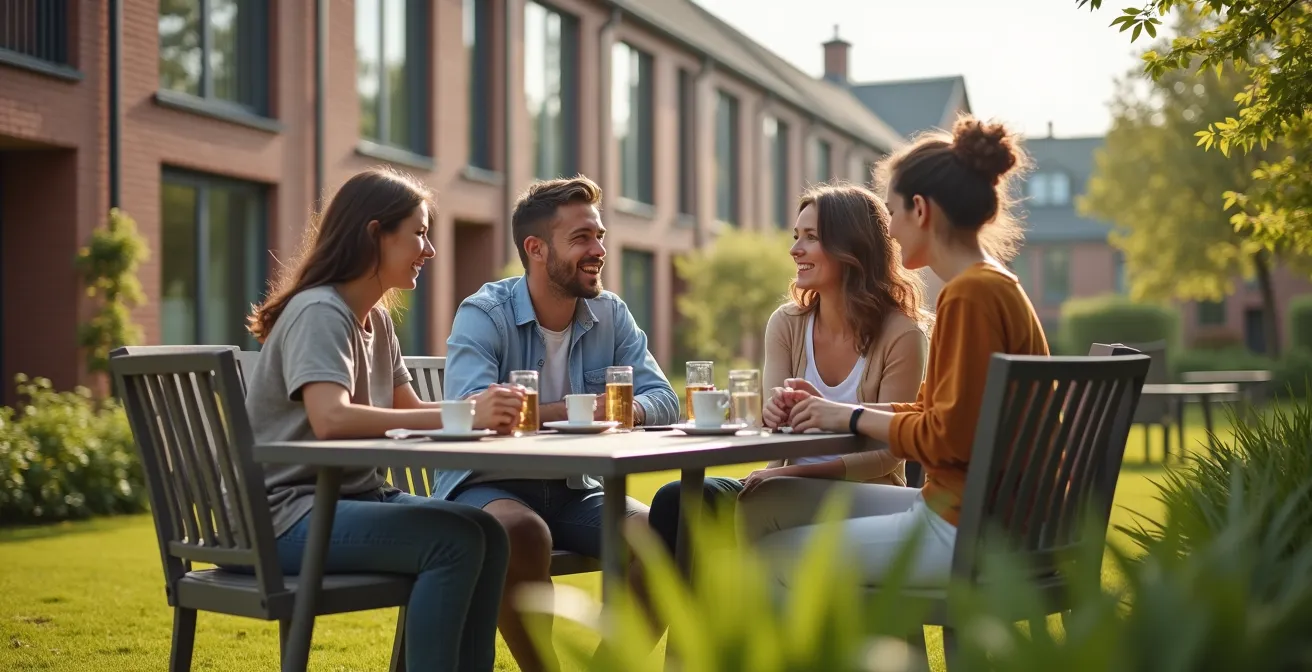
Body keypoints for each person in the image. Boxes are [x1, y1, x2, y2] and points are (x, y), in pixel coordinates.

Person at [241, 166, 525, 671]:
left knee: (487, 531)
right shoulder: (320, 312)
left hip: (346, 499)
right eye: (418, 232)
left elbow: (410, 411)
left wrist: (482, 413)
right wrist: (466, 414)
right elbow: (330, 419)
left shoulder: (373, 319)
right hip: (284, 516)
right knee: (454, 540)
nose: (429, 249)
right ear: (374, 233)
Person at [766, 116, 1050, 589]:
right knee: (769, 503)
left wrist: (850, 419)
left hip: (968, 525)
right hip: (994, 514)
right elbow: (942, 416)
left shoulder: (969, 297)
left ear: (921, 210)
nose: (891, 232)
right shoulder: (995, 285)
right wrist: (836, 411)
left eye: (894, 212)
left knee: (766, 556)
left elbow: (944, 439)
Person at [440, 175, 679, 672]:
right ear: (536, 249)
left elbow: (665, 399)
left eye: (600, 237)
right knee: (522, 532)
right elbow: (469, 408)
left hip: (574, 488)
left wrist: (626, 410)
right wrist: (576, 412)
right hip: (488, 485)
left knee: (663, 539)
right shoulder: (484, 313)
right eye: (581, 239)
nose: (598, 250)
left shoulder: (610, 313)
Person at [647, 182, 930, 556]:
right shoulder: (787, 323)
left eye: (811, 237)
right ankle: (686, 616)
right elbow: (772, 426)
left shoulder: (903, 334)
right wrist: (772, 412)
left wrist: (788, 474)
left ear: (852, 247)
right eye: (796, 236)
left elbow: (889, 453)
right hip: (777, 485)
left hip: (862, 499)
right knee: (678, 499)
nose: (795, 249)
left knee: (727, 513)